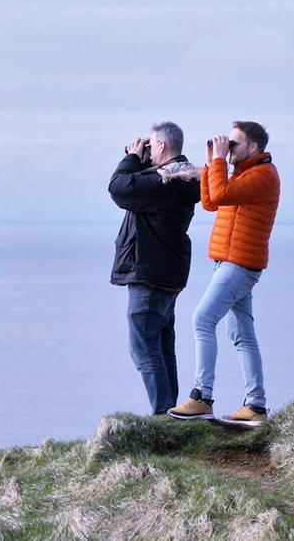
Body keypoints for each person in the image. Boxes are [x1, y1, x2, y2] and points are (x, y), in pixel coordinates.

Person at [167, 121, 280, 426]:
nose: (228, 148)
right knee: (242, 334)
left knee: (202, 319)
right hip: (231, 263)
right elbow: (210, 201)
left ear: (253, 147)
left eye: (234, 143)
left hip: (239, 265)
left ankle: (202, 397)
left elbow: (221, 191)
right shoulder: (243, 173)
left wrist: (218, 161)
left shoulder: (263, 175)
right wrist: (210, 163)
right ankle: (255, 405)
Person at [108, 121, 201, 415]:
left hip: (149, 273)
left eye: (150, 144)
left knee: (143, 347)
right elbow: (136, 189)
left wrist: (132, 158)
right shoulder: (178, 179)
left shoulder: (165, 181)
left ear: (160, 146)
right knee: (161, 347)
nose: (146, 149)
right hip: (166, 273)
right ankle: (171, 414)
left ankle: (163, 416)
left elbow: (119, 188)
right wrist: (141, 163)